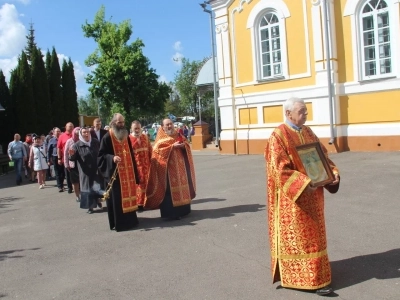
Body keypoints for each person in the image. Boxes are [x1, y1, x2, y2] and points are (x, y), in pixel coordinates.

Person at [264, 97, 340, 296]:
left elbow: (323, 156)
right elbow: (278, 169)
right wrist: (305, 183)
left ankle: (318, 275)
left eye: (306, 111)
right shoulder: (278, 136)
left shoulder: (307, 132)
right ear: (288, 113)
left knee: (315, 237)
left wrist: (332, 174)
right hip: (294, 201)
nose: (306, 114)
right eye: (302, 111)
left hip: (315, 197)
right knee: (302, 241)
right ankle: (307, 279)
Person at [145, 118, 196, 220]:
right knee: (169, 192)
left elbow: (186, 144)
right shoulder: (160, 139)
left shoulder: (178, 134)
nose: (169, 126)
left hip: (180, 168)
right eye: (167, 125)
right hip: (167, 171)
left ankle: (184, 210)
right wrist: (172, 146)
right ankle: (171, 214)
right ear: (162, 127)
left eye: (171, 124)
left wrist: (183, 146)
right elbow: (158, 151)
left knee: (182, 187)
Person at [98, 113, 140, 231]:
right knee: (117, 200)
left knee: (130, 197)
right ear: (113, 123)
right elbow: (101, 156)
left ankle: (131, 221)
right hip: (115, 176)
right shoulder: (107, 137)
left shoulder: (126, 136)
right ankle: (120, 223)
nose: (122, 125)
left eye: (123, 122)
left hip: (128, 174)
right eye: (119, 122)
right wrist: (112, 158)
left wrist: (135, 173)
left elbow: (131, 154)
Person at [69, 127, 103, 214]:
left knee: (97, 186)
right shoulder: (77, 145)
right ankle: (90, 206)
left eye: (87, 132)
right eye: (84, 132)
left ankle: (98, 201)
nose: (86, 134)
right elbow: (72, 159)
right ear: (81, 134)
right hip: (85, 172)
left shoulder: (95, 142)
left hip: (96, 169)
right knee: (87, 188)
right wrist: (71, 155)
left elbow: (101, 153)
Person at [129, 121, 153, 211]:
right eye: (135, 128)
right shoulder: (128, 139)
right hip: (136, 168)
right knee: (138, 186)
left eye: (139, 128)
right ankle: (138, 204)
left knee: (146, 185)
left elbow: (150, 150)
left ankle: (146, 202)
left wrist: (152, 163)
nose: (137, 130)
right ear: (131, 128)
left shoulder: (145, 137)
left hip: (146, 167)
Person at [64, 127, 81, 202]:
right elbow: (65, 153)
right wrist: (66, 164)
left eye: (78, 134)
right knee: (75, 182)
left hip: (81, 164)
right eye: (76, 134)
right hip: (72, 164)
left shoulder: (82, 141)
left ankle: (83, 194)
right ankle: (77, 195)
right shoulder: (69, 141)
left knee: (82, 181)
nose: (77, 136)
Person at [57, 122, 74, 193]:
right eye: (69, 126)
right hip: (66, 158)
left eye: (72, 126)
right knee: (67, 173)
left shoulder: (75, 135)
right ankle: (70, 187)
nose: (71, 128)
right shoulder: (62, 136)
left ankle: (77, 187)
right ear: (66, 127)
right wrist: (59, 158)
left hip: (75, 158)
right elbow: (58, 148)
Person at [48, 128, 64, 192]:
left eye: (59, 131)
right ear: (54, 133)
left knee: (63, 172)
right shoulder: (51, 140)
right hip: (55, 157)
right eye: (56, 131)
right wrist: (48, 160)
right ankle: (60, 186)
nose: (58, 132)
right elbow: (49, 151)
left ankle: (61, 184)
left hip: (63, 157)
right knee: (57, 172)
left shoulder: (62, 138)